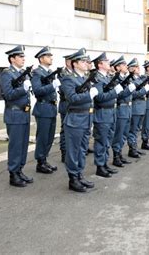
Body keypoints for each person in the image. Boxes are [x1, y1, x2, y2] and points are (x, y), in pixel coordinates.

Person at [60, 48, 97, 192]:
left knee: (82, 150)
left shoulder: (83, 78)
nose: (85, 63)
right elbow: (73, 99)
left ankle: (80, 174)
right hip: (75, 119)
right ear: (75, 64)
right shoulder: (68, 78)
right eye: (82, 61)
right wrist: (89, 95)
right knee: (73, 151)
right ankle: (73, 179)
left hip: (86, 118)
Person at [0, 45, 33, 187]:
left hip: (24, 114)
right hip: (14, 114)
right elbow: (8, 94)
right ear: (12, 59)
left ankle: (19, 170)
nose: (23, 59)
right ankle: (13, 174)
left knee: (23, 144)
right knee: (16, 145)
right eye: (20, 56)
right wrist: (23, 88)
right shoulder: (7, 73)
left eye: (23, 56)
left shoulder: (23, 73)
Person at [91, 52, 126, 178]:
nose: (109, 62)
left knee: (107, 140)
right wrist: (115, 93)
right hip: (102, 113)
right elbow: (99, 97)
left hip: (110, 112)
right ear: (100, 64)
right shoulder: (97, 78)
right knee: (101, 140)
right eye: (106, 61)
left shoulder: (106, 78)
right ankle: (100, 166)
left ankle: (105, 163)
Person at [31, 46, 60, 174]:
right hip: (43, 108)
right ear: (41, 59)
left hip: (51, 108)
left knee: (49, 137)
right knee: (43, 137)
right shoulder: (37, 73)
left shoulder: (49, 72)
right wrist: (51, 85)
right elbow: (37, 91)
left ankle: (44, 159)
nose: (51, 58)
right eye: (48, 56)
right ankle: (40, 162)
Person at [111, 55, 137, 167]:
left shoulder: (126, 78)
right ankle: (116, 156)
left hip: (128, 108)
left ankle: (120, 154)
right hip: (121, 108)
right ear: (117, 67)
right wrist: (128, 90)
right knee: (119, 134)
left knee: (125, 133)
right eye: (123, 65)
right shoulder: (116, 80)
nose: (126, 66)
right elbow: (119, 95)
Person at [127, 58, 149, 157]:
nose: (138, 68)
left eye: (138, 66)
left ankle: (135, 146)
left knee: (137, 129)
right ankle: (132, 149)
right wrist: (144, 90)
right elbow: (133, 94)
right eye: (136, 67)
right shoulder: (130, 80)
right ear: (131, 69)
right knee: (133, 129)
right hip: (136, 106)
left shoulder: (139, 78)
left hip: (141, 106)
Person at [58, 52, 75, 163]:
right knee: (64, 130)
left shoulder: (74, 74)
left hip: (73, 104)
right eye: (70, 61)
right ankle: (64, 152)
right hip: (65, 104)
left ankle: (71, 151)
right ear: (67, 62)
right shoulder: (62, 74)